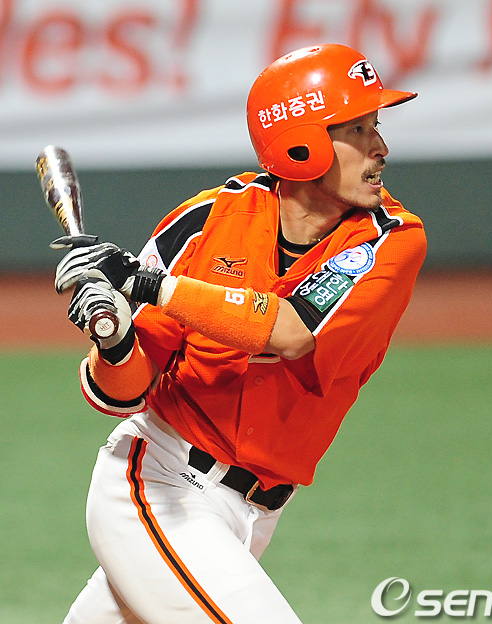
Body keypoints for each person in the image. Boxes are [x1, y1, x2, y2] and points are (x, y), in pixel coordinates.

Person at [54, 43, 426, 624]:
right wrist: (114, 337)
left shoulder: (390, 239)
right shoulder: (206, 223)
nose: (381, 147)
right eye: (358, 129)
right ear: (301, 143)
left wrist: (146, 285)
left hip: (252, 516)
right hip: (159, 487)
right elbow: (120, 394)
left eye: (375, 125)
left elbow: (291, 330)